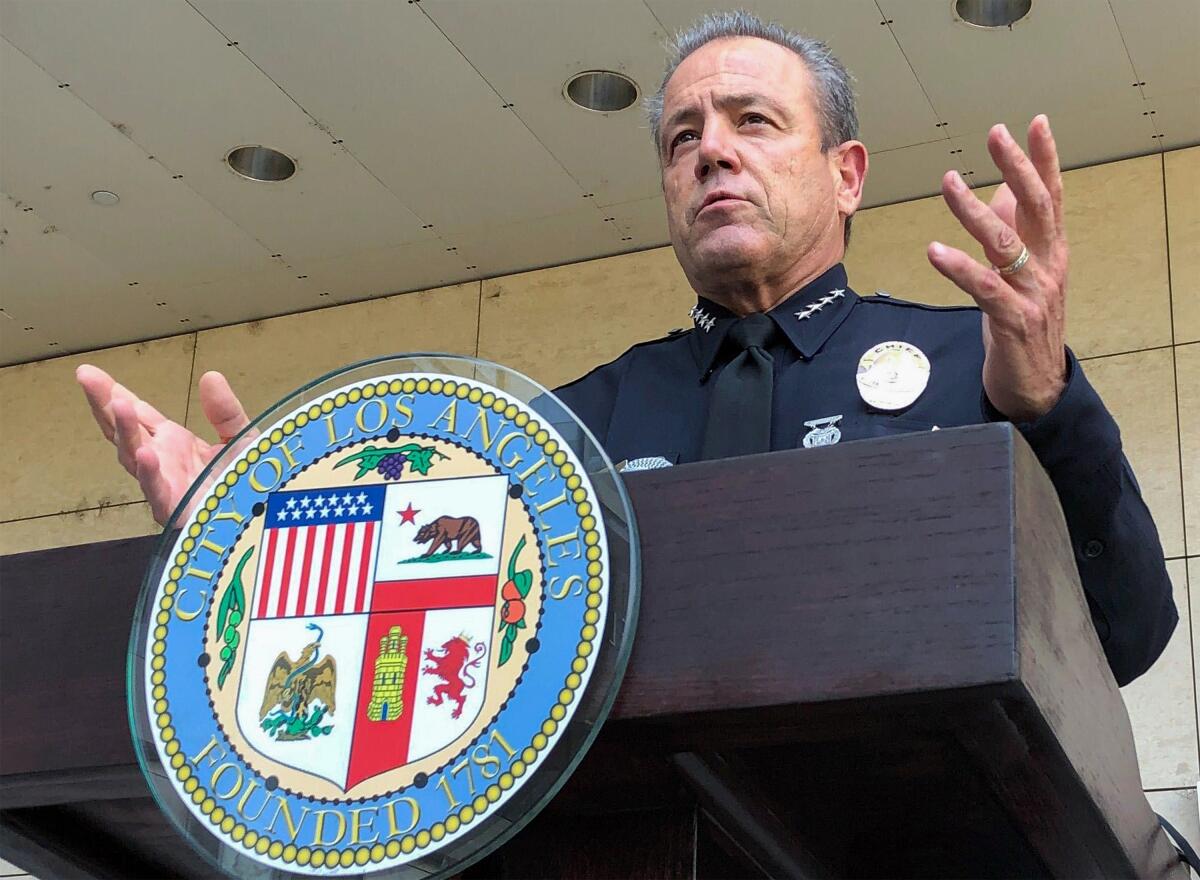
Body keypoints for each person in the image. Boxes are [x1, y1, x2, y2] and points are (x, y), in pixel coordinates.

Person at [76, 11, 1175, 686]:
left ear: (846, 174)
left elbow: (1128, 633)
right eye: (682, 138)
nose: (712, 155)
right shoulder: (565, 425)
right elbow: (407, 623)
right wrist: (239, 532)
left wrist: (1044, 403)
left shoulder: (969, 360)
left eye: (753, 122)